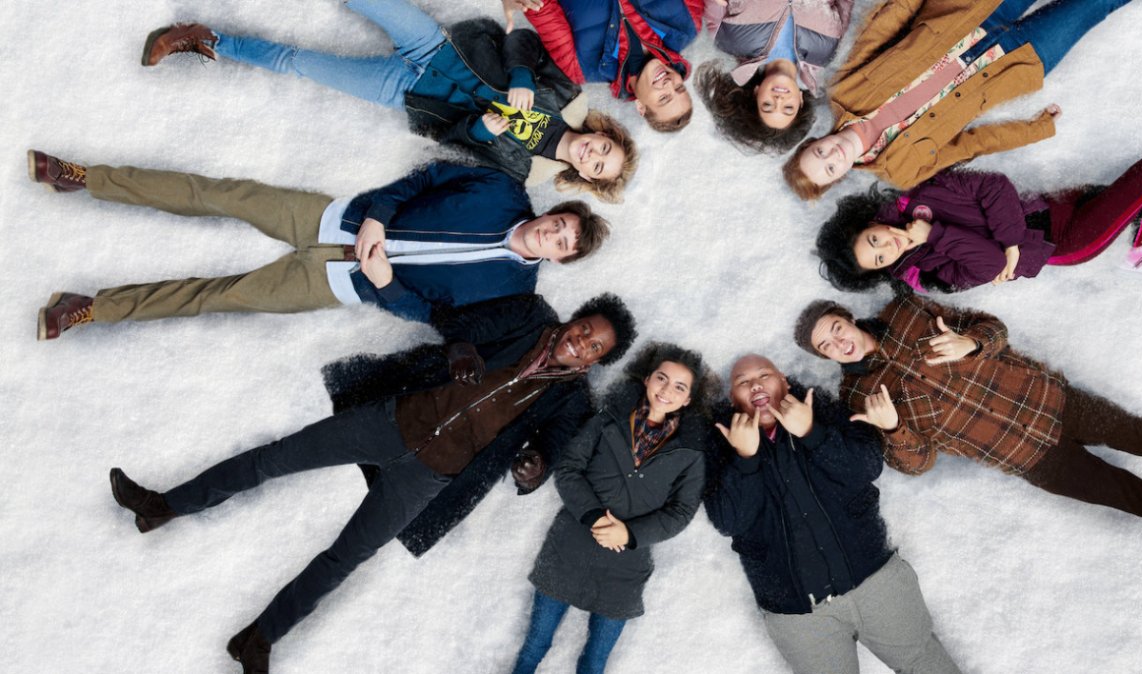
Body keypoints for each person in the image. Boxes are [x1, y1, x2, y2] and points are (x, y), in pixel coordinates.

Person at [108, 292, 638, 673]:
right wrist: (461, 349)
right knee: (273, 460)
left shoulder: (571, 399)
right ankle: (162, 505)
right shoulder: (528, 316)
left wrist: (535, 467)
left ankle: (259, 638)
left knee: (346, 556)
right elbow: (462, 320)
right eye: (586, 329)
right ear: (574, 318)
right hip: (391, 420)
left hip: (432, 476)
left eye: (595, 349)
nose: (583, 343)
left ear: (596, 363)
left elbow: (553, 448)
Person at [28, 152, 610, 340]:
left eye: (564, 245)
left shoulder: (513, 291)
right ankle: (85, 178)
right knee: (216, 195)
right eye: (561, 224)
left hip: (337, 283)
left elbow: (442, 320)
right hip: (333, 220)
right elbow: (428, 176)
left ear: (560, 260)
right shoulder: (501, 190)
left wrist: (387, 286)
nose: (554, 235)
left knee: (215, 297)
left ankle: (90, 307)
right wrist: (378, 217)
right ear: (555, 211)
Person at [142, 0, 639, 203]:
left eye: (597, 167)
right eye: (603, 149)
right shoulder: (566, 95)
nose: (592, 155)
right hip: (440, 46)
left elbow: (452, 141)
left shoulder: (521, 172)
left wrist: (482, 131)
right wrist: (521, 73)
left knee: (298, 63)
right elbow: (520, 39)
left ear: (586, 179)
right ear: (602, 133)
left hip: (407, 92)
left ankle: (208, 41)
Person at [796, 297, 1142, 540]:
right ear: (825, 357)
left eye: (836, 328)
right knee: (1135, 497)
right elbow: (917, 463)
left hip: (1056, 401)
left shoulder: (905, 311)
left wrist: (970, 342)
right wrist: (892, 429)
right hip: (1032, 459)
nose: (839, 342)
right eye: (826, 345)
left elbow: (994, 328)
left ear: (847, 318)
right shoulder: (857, 399)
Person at [705, 353, 962, 674]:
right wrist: (744, 458)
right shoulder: (719, 443)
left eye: (764, 375)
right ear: (733, 398)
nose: (755, 384)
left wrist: (811, 431)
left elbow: (867, 465)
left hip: (877, 582)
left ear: (783, 381)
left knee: (925, 665)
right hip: (799, 615)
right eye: (742, 382)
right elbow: (728, 520)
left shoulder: (822, 408)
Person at [783, 0, 1138, 197]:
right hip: (1013, 62)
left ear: (817, 141)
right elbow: (970, 145)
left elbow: (881, 31)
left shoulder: (845, 91)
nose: (833, 155)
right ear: (841, 176)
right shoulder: (902, 170)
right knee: (1095, 4)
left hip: (968, 14)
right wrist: (1035, 129)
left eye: (820, 152)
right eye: (830, 169)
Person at [512, 342, 710, 673]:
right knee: (535, 646)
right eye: (662, 378)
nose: (667, 390)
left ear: (688, 399)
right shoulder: (607, 420)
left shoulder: (690, 453)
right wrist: (593, 517)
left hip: (625, 568)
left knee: (594, 663)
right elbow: (569, 468)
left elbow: (681, 513)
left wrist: (629, 533)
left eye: (679, 386)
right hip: (568, 549)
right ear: (647, 379)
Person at [816, 154, 1142, 293]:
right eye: (880, 259)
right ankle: (1137, 251)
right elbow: (991, 266)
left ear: (871, 223)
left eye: (874, 240)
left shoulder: (922, 195)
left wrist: (1010, 242)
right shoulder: (928, 273)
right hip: (1066, 241)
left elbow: (994, 187)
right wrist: (935, 235)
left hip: (1054, 203)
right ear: (884, 271)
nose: (889, 247)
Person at [507, 0, 705, 133]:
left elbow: (542, 8)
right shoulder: (687, 24)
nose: (670, 84)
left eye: (664, 98)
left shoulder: (580, 66)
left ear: (641, 107)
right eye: (680, 88)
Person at [696, 0, 855, 154]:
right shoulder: (823, 53)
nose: (779, 100)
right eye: (788, 108)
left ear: (756, 93)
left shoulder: (729, 40)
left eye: (767, 105)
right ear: (800, 100)